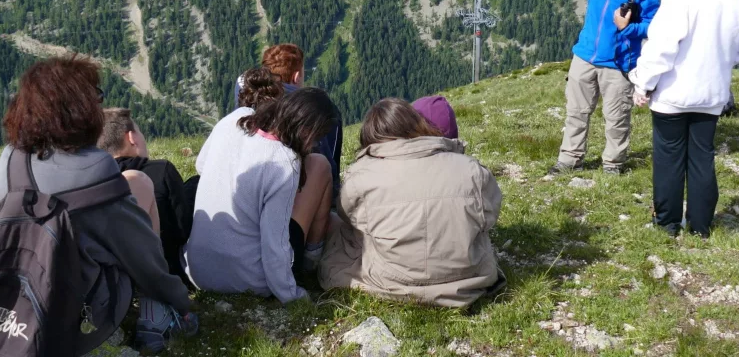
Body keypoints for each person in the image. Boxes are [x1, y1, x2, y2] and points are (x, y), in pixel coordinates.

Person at [0, 57, 195, 353]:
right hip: (70, 308)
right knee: (140, 188)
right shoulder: (96, 168)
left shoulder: (12, 156)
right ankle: (154, 310)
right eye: (96, 97)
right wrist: (178, 296)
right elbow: (139, 252)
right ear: (79, 109)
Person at [628, 0, 739, 238]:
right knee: (702, 158)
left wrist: (643, 84)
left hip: (673, 95)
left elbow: (661, 49)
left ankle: (668, 224)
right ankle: (701, 226)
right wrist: (722, 59)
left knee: (669, 159)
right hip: (713, 94)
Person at [318, 98, 503, 308]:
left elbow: (345, 214)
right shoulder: (472, 170)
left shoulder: (361, 175)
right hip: (467, 281)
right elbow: (490, 215)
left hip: (389, 282)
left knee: (342, 231)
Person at [514, 0, 661, 175]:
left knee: (616, 118)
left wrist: (628, 28)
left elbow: (655, 27)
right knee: (576, 112)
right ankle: (570, 160)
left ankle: (612, 165)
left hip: (619, 64)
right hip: (584, 56)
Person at [186, 87, 337, 303]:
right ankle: (312, 259)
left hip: (198, 271)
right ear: (308, 132)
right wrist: (293, 296)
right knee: (320, 165)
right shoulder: (283, 161)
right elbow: (274, 244)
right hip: (248, 280)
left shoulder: (233, 120)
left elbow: (201, 165)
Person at [98, 108, 196, 288]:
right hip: (166, 270)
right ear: (132, 138)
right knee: (195, 183)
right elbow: (183, 229)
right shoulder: (160, 171)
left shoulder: (96, 181)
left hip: (114, 280)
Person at [233, 44, 345, 192]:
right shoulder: (316, 110)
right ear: (296, 76)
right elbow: (330, 161)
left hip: (244, 180)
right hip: (297, 190)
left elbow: (242, 79)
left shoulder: (247, 93)